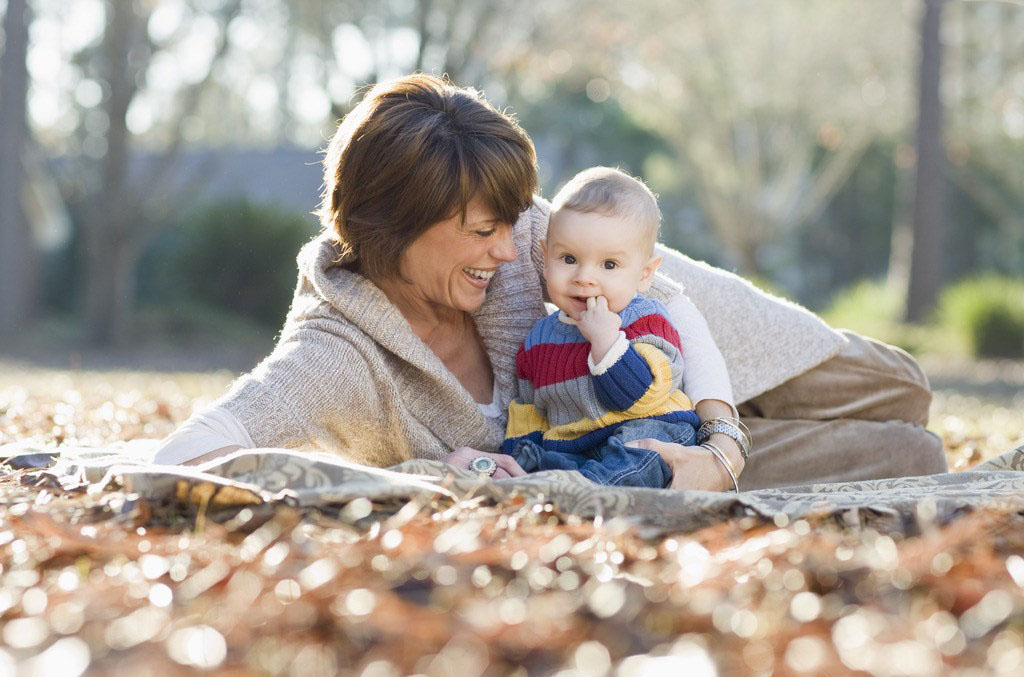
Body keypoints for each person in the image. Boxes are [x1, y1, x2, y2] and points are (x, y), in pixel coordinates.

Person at [152, 73, 947, 491]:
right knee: (911, 452)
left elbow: (659, 293)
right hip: (631, 449)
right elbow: (191, 452)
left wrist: (725, 445)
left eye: (514, 218)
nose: (514, 248)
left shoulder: (531, 234)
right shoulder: (337, 351)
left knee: (899, 387)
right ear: (392, 225)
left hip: (677, 333)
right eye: (483, 230)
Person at [502, 167, 739, 488]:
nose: (584, 277)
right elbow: (529, 409)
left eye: (609, 265)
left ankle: (589, 491)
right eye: (568, 259)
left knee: (641, 457)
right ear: (545, 258)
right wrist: (517, 452)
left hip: (650, 427)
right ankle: (562, 485)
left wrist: (607, 342)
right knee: (542, 457)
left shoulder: (647, 320)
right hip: (578, 444)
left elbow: (636, 396)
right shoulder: (538, 340)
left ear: (644, 274)